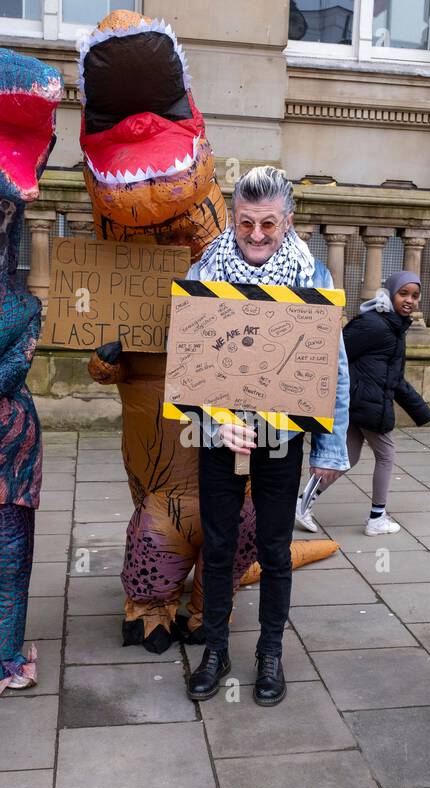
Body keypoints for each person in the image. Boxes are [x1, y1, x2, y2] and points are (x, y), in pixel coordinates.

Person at [184, 166, 351, 707]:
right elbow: (188, 361)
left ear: (289, 221)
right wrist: (211, 422)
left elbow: (336, 368)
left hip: (281, 439)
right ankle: (215, 648)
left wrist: (330, 447)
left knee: (276, 549)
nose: (256, 235)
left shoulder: (314, 278)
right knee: (219, 544)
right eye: (246, 222)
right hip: (220, 436)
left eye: (268, 225)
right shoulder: (207, 267)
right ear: (234, 217)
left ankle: (270, 651)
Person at [295, 270, 430, 534]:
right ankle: (377, 519)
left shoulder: (393, 327)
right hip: (366, 405)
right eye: (403, 294)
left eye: (415, 296)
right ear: (390, 294)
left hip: (364, 403)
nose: (410, 300)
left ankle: (303, 503)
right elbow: (334, 352)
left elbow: (395, 378)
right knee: (386, 455)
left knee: (347, 457)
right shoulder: (375, 325)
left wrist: (421, 411)